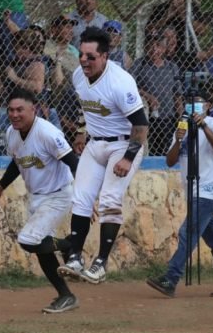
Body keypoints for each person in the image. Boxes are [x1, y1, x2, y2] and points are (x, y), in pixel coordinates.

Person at [57, 27, 149, 283]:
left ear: (105, 56)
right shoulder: (80, 75)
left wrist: (128, 158)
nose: (84, 61)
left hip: (123, 145)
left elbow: (141, 125)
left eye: (91, 57)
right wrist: (80, 132)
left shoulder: (120, 82)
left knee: (109, 200)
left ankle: (100, 263)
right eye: (82, 55)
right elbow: (87, 106)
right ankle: (75, 258)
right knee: (81, 198)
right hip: (95, 144)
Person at [0, 88, 81, 313]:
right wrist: (0, 187)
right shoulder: (12, 133)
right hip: (37, 196)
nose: (14, 114)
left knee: (28, 240)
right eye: (11, 110)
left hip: (58, 194)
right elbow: (18, 162)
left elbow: (73, 162)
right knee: (42, 248)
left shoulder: (47, 133)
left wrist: (85, 195)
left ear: (33, 109)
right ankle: (66, 296)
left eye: (20, 110)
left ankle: (71, 246)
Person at [146, 83, 213, 299]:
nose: (192, 106)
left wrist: (203, 125)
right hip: (193, 191)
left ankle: (171, 278)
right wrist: (179, 139)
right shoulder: (182, 126)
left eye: (197, 102)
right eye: (189, 102)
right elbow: (170, 161)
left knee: (187, 233)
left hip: (208, 191)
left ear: (207, 105)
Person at [131, 35, 181, 155]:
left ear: (164, 49)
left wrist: (180, 114)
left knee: (167, 150)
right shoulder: (140, 64)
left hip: (168, 117)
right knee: (149, 149)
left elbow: (177, 94)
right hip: (148, 118)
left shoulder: (172, 67)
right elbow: (129, 86)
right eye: (150, 46)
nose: (154, 49)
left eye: (158, 46)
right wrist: (147, 96)